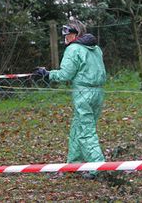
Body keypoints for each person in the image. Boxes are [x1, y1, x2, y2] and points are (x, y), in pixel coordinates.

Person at [33, 19, 107, 180]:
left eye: (67, 34)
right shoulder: (96, 48)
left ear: (75, 34)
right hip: (98, 93)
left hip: (83, 93)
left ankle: (99, 167)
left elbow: (65, 74)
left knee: (86, 132)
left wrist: (47, 74)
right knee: (77, 127)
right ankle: (73, 164)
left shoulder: (73, 49)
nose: (65, 38)